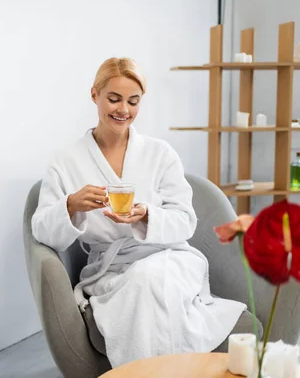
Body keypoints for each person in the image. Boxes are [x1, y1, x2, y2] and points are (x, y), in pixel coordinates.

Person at [31, 57, 246, 367]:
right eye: (114, 99)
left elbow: (186, 222)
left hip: (170, 257)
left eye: (133, 101)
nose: (124, 110)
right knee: (144, 282)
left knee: (150, 278)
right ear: (95, 95)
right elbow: (41, 229)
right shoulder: (66, 160)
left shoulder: (161, 153)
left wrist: (147, 216)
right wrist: (71, 205)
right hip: (111, 267)